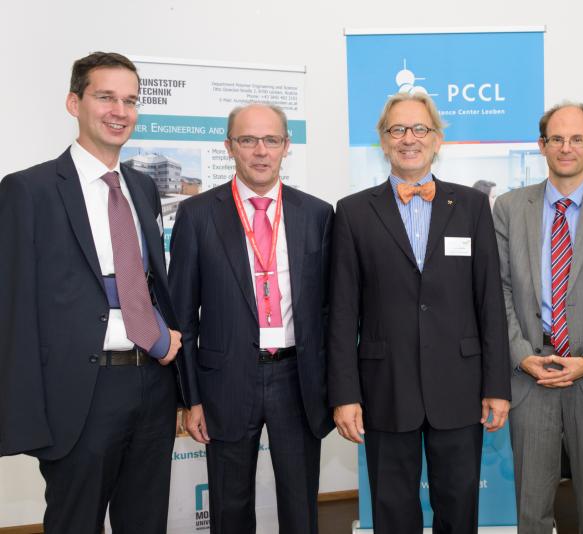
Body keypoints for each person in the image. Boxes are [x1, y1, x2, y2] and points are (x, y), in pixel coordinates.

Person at [0, 51, 183, 534]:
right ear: (73, 103)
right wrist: (23, 413)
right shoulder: (29, 190)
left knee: (146, 523)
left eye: (130, 100)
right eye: (106, 97)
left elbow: (146, 282)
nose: (120, 111)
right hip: (81, 393)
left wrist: (164, 337)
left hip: (152, 385)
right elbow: (13, 308)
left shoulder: (143, 188)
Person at [328, 92, 511, 534]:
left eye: (419, 129)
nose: (408, 139)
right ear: (383, 140)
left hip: (460, 386)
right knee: (392, 510)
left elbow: (489, 302)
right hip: (385, 386)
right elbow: (342, 312)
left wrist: (496, 385)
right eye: (397, 129)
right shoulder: (353, 212)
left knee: (459, 508)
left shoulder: (471, 207)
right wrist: (345, 394)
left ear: (436, 139)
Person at [169, 103, 334, 534]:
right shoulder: (197, 214)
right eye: (248, 140)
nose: (261, 151)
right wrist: (190, 397)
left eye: (271, 140)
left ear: (286, 146)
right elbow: (182, 316)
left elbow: (328, 310)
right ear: (229, 146)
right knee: (230, 507)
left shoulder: (317, 214)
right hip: (225, 380)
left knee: (301, 506)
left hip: (297, 379)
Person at [493, 102, 583, 533]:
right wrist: (521, 355)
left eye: (577, 139)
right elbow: (498, 290)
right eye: (556, 138)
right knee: (531, 511)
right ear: (542, 146)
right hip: (530, 376)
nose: (566, 147)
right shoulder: (509, 207)